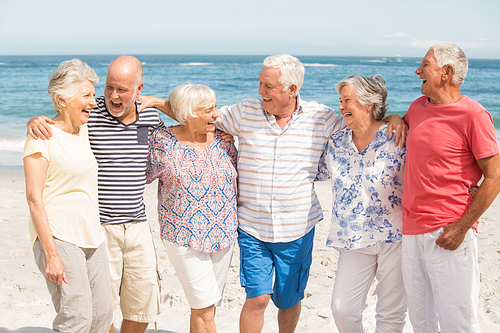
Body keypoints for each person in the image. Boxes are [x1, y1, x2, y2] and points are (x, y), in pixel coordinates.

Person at [139, 54, 407, 332]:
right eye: (260, 83)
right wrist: (158, 103)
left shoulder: (323, 118)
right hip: (252, 228)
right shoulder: (244, 112)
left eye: (267, 85)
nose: (260, 91)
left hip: (298, 228)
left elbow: (364, 122)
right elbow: (195, 114)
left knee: (288, 300)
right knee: (257, 298)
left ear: (291, 90)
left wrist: (394, 117)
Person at [27, 55, 163, 333]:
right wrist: (33, 119)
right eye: (105, 88)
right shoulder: (70, 123)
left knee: (121, 312)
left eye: (122, 89)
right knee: (84, 316)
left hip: (115, 229)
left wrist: (159, 101)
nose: (108, 97)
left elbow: (187, 114)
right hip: (80, 230)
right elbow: (34, 197)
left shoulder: (141, 118)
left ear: (138, 90)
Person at [401, 43, 500, 332]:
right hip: (411, 231)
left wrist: (462, 227)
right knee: (421, 321)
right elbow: (402, 127)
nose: (418, 70)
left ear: (446, 72)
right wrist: (394, 117)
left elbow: (494, 177)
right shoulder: (416, 107)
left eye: (425, 64)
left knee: (458, 322)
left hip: (449, 230)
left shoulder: (474, 115)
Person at [23, 59, 113, 332]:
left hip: (92, 235)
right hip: (59, 236)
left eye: (93, 96)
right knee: (75, 318)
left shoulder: (83, 129)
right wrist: (51, 255)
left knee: (102, 317)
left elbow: (129, 108)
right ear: (62, 99)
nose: (93, 102)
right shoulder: (42, 137)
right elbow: (33, 199)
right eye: (86, 96)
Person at [316, 74, 407, 332]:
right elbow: (314, 172)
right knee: (342, 310)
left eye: (347, 100)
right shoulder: (336, 142)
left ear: (369, 104)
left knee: (390, 314)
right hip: (352, 239)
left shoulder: (397, 137)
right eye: (340, 101)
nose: (341, 107)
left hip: (395, 237)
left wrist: (395, 117)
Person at [146, 84, 238, 332]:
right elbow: (136, 174)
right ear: (187, 114)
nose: (216, 114)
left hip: (224, 234)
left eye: (215, 107)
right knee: (205, 308)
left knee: (207, 307)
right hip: (183, 235)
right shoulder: (161, 141)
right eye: (209, 110)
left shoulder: (223, 139)